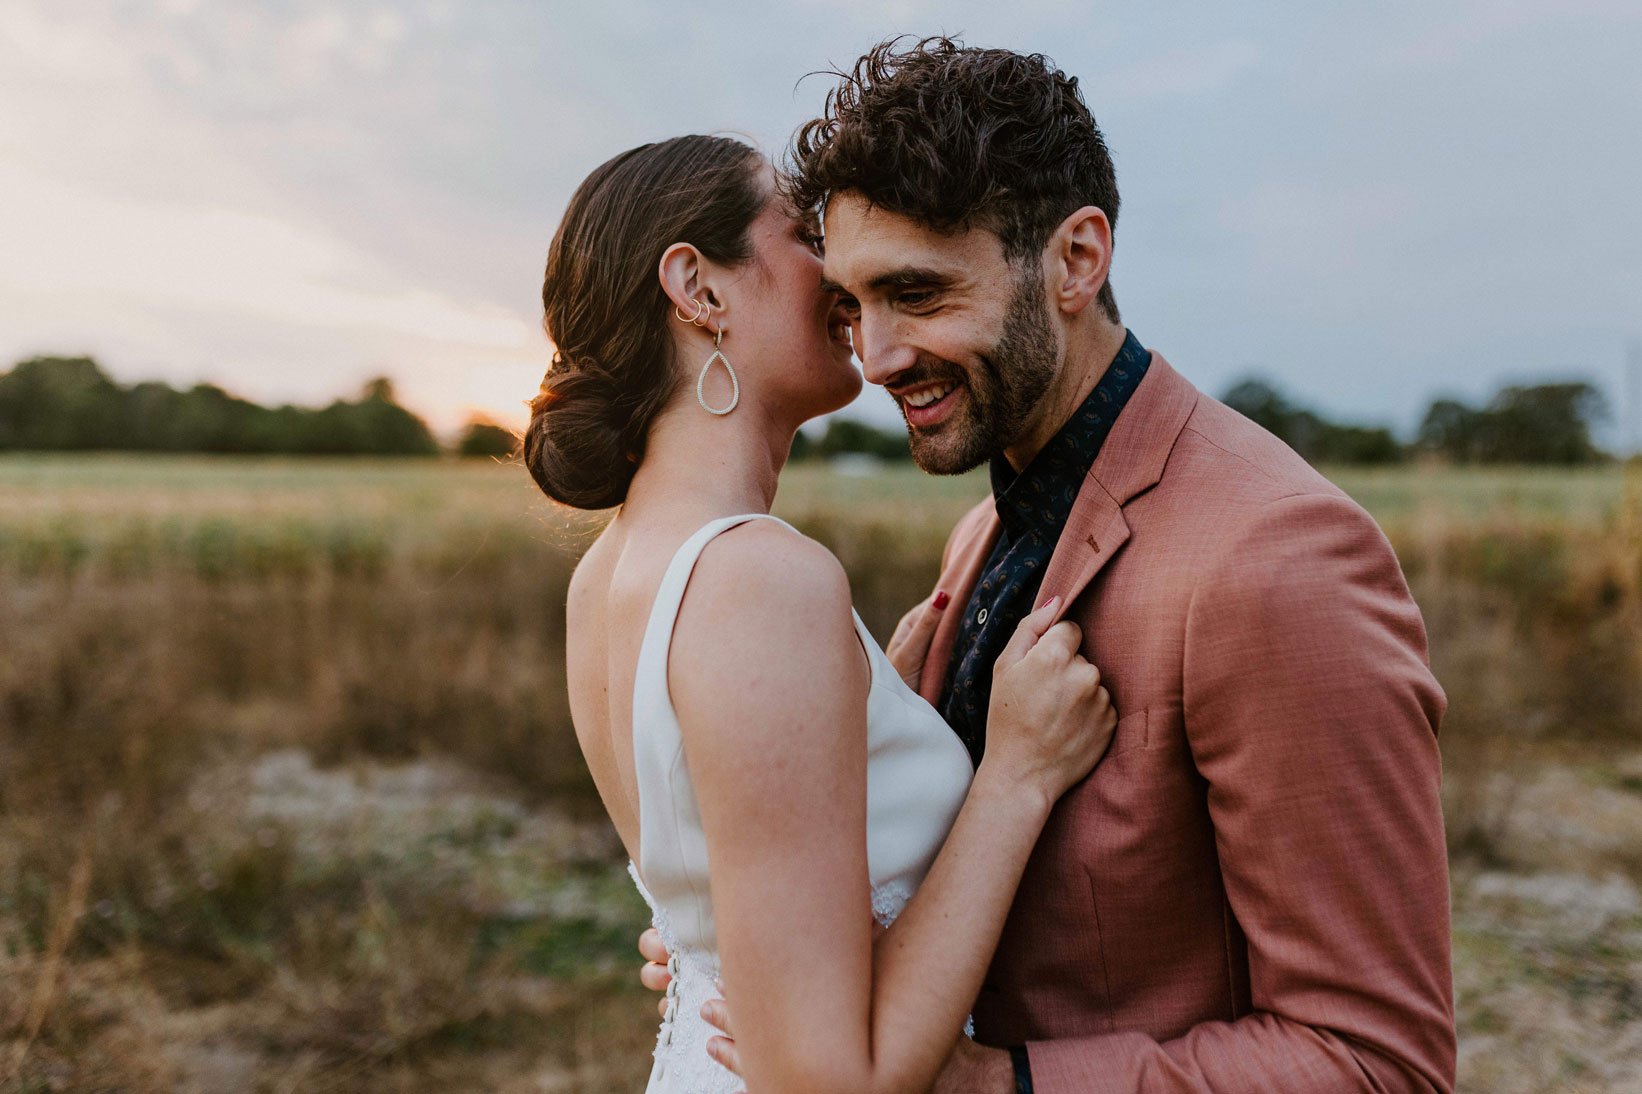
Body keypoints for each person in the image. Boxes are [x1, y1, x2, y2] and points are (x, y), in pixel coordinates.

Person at [640, 37, 1457, 1093]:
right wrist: (771, 941)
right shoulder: (979, 535)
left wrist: (995, 1085)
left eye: (919, 294)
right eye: (851, 305)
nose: (876, 356)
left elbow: (1376, 1061)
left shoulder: (1276, 561)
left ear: (1075, 259)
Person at [524, 133, 1119, 1094]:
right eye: (804, 235)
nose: (843, 276)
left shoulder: (606, 573)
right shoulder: (761, 580)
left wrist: (866, 700)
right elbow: (828, 1080)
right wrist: (1017, 774)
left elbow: (724, 884)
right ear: (700, 289)